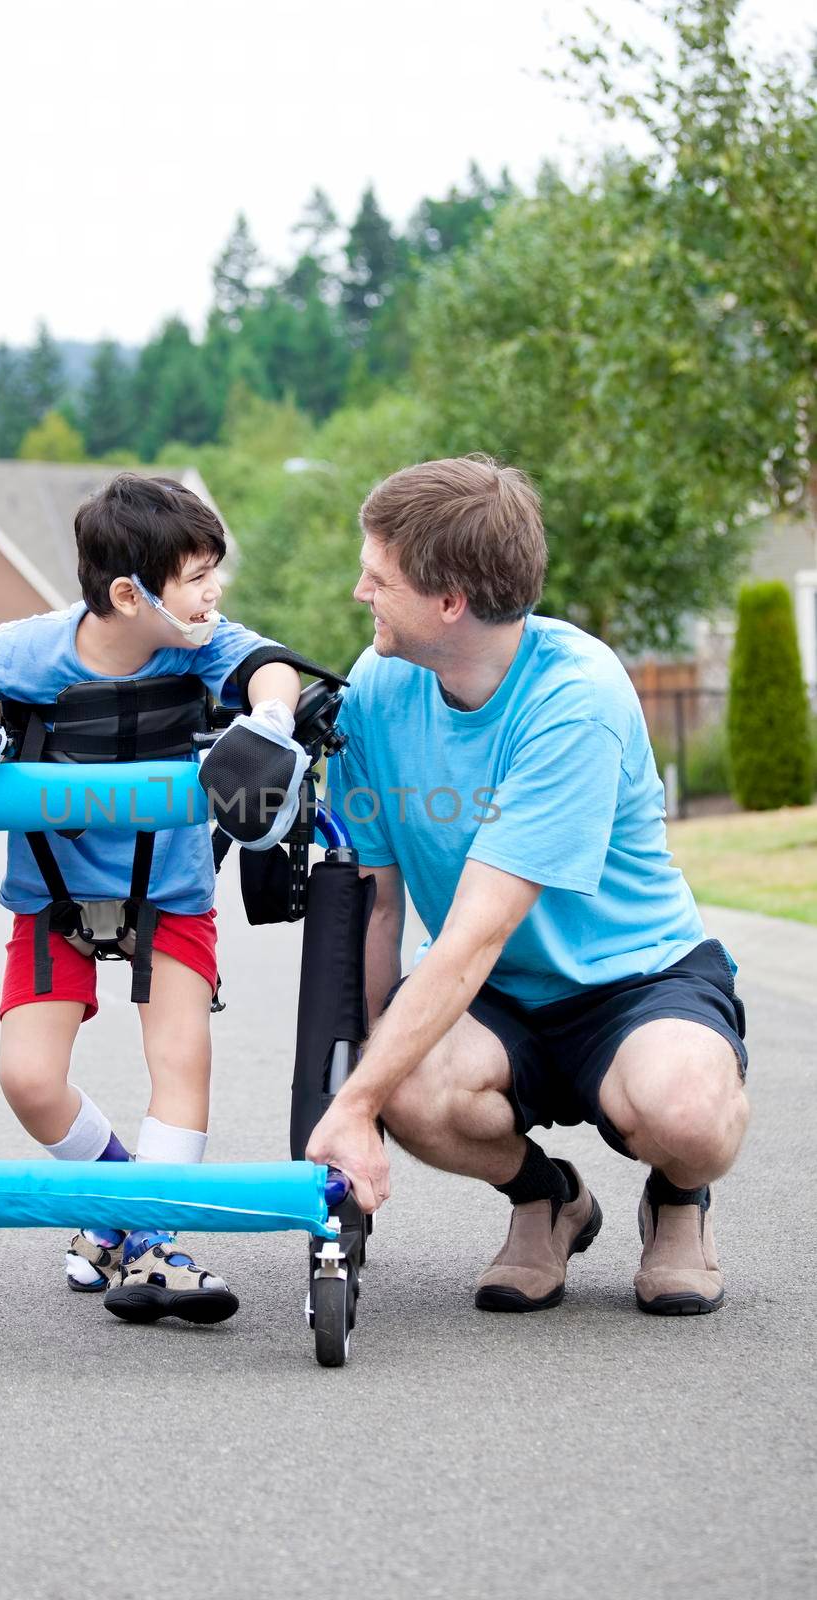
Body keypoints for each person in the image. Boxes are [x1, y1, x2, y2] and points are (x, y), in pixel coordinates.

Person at [307, 456, 749, 1316]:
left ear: (449, 602)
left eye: (377, 575)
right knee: (402, 1077)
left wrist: (352, 1102)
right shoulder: (375, 690)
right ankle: (548, 1197)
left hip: (638, 981)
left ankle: (676, 1198)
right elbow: (377, 904)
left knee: (688, 1113)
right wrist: (359, 1087)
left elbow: (473, 932)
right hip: (501, 995)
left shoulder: (574, 701)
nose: (360, 591)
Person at [0, 473, 309, 1326]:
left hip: (174, 894)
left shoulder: (204, 644)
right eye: (197, 577)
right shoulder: (33, 649)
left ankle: (154, 1244)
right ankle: (126, 1208)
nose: (213, 593)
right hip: (53, 897)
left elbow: (272, 671)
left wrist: (267, 726)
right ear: (130, 593)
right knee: (27, 1078)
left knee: (180, 1059)